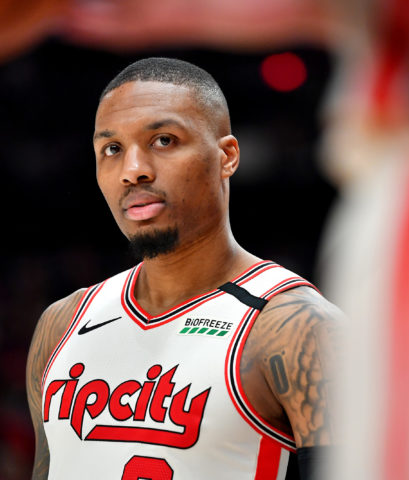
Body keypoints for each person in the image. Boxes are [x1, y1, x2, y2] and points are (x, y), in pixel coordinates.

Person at [26, 57, 344, 480]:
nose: (133, 171)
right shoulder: (61, 324)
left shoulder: (298, 329)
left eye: (163, 140)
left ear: (226, 156)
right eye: (112, 149)